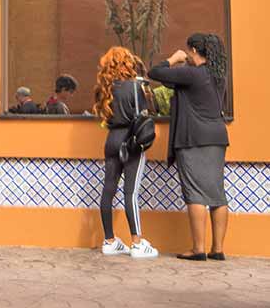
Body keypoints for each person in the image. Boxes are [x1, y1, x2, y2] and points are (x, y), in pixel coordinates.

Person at [149, 33, 230, 261]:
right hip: (217, 136)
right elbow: (175, 82)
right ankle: (218, 249)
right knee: (217, 194)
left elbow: (154, 73)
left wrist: (173, 59)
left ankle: (198, 249)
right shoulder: (218, 75)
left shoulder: (192, 74)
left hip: (193, 137)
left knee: (195, 193)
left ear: (194, 49)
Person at [93, 47, 158, 259]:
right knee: (130, 193)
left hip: (111, 140)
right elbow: (142, 116)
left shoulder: (105, 89)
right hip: (131, 142)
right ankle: (137, 243)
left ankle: (109, 241)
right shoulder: (134, 86)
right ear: (127, 64)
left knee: (108, 190)